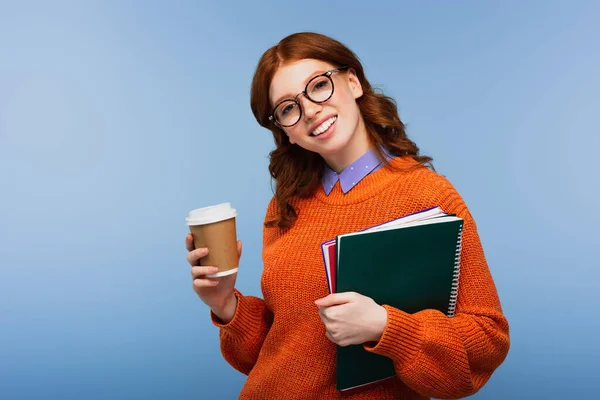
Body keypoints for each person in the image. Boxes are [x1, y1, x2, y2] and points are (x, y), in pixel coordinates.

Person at [185, 32, 510, 399]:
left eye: (318, 86)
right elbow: (282, 351)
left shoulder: (427, 195)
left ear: (353, 82)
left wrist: (386, 327)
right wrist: (226, 304)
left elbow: (487, 341)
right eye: (289, 108)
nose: (309, 110)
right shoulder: (284, 208)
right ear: (285, 131)